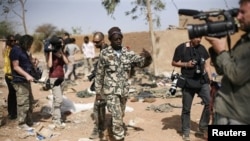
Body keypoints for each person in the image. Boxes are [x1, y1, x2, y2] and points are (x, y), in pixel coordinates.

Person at [95, 26, 152, 141]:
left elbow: (140, 63)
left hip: (124, 90)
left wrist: (147, 58)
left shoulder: (127, 53)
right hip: (111, 91)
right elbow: (99, 73)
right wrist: (98, 92)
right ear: (110, 40)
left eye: (120, 38)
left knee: (120, 114)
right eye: (116, 39)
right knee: (116, 114)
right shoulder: (105, 53)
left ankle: (111, 129)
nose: (118, 40)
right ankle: (119, 137)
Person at [205, 0, 250, 125]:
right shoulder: (244, 40)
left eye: (243, 12)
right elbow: (223, 70)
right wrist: (216, 48)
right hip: (226, 110)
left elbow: (236, 76)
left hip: (239, 117)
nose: (238, 16)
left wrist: (221, 51)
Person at [171, 36, 212, 141]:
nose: (199, 39)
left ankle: (202, 127)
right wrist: (186, 64)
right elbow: (174, 62)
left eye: (200, 37)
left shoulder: (202, 48)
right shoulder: (182, 47)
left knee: (209, 103)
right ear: (191, 37)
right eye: (196, 37)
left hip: (202, 81)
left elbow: (207, 65)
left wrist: (210, 80)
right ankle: (186, 131)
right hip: (188, 82)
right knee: (186, 109)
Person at [9, 34, 39, 130]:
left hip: (26, 81)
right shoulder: (15, 50)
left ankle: (29, 121)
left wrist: (34, 63)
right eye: (29, 44)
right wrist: (27, 75)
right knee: (23, 102)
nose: (30, 46)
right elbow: (16, 66)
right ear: (25, 42)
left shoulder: (24, 51)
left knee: (30, 101)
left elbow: (26, 64)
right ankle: (22, 123)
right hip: (19, 81)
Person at [89, 31, 108, 139]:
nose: (95, 44)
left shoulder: (105, 51)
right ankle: (101, 126)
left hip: (104, 84)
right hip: (103, 83)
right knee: (101, 106)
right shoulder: (103, 50)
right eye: (94, 42)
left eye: (97, 42)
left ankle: (99, 128)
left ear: (103, 40)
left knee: (98, 107)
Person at [47, 35, 69, 128]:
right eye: (60, 43)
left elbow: (67, 62)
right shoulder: (49, 53)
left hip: (61, 78)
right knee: (59, 99)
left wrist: (62, 52)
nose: (61, 44)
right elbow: (49, 65)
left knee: (57, 99)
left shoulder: (62, 52)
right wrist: (51, 52)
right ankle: (57, 120)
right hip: (54, 78)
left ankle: (54, 115)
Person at [3, 35, 17, 120]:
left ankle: (12, 112)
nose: (14, 42)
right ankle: (12, 113)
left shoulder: (12, 49)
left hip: (11, 74)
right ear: (8, 41)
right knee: (12, 93)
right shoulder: (8, 50)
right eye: (12, 41)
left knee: (12, 94)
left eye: (14, 40)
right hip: (9, 75)